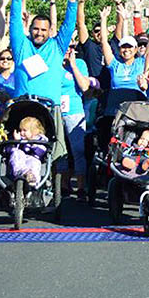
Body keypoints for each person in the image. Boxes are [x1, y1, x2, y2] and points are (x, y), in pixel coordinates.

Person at [8, 0, 80, 99]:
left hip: (49, 106)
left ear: (49, 31)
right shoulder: (21, 45)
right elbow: (14, 21)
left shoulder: (57, 47)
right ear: (30, 29)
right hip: (23, 104)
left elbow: (69, 26)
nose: (39, 33)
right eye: (36, 29)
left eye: (43, 30)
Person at [62, 41, 92, 198]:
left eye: (71, 47)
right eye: (66, 47)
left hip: (74, 110)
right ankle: (63, 185)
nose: (68, 50)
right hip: (55, 109)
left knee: (78, 149)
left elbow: (85, 87)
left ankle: (81, 186)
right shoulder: (53, 61)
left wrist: (73, 66)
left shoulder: (80, 63)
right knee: (60, 150)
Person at [5, 116, 49, 185]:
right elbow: (7, 149)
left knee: (34, 163)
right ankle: (22, 172)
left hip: (33, 158)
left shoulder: (41, 139)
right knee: (17, 154)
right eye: (20, 130)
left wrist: (31, 142)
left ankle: (33, 179)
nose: (21, 133)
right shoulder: (17, 138)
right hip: (19, 162)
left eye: (24, 130)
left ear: (34, 131)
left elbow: (41, 152)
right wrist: (16, 142)